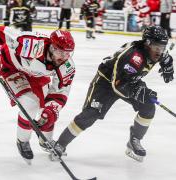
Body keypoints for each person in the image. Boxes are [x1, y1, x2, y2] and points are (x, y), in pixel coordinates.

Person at [53, 25, 174, 162]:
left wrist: (168, 62)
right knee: (90, 114)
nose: (160, 51)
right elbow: (118, 85)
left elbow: (164, 57)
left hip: (129, 79)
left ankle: (134, 140)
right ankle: (60, 144)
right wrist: (140, 92)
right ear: (147, 44)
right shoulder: (134, 57)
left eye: (162, 47)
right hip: (106, 83)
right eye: (157, 47)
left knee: (148, 106)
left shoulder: (154, 51)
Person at [0, 26, 75, 163]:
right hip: (13, 68)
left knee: (47, 111)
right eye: (60, 52)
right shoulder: (32, 44)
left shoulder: (67, 66)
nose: (64, 58)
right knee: (30, 105)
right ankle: (23, 140)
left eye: (68, 53)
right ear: (51, 47)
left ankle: (46, 140)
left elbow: (60, 92)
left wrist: (50, 112)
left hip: (37, 75)